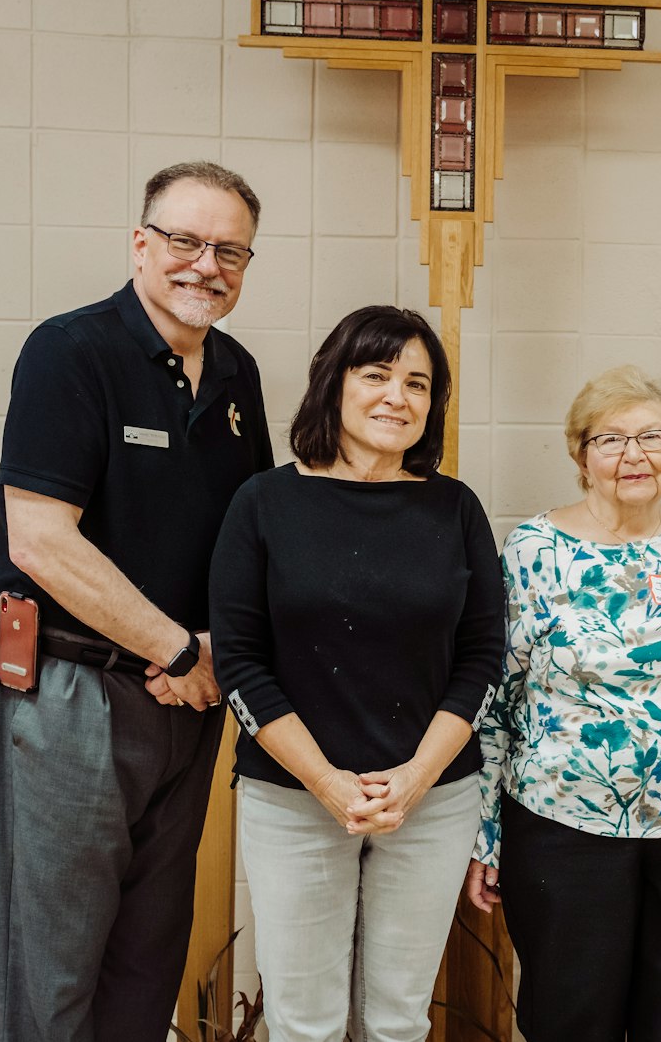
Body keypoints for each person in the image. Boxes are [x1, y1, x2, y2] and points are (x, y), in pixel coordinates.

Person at [0, 161, 272, 1041]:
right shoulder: (72, 351)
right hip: (73, 695)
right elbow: (40, 538)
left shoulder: (236, 374)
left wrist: (218, 653)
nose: (205, 265)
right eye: (185, 241)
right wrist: (184, 652)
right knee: (53, 970)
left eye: (230, 250)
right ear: (141, 243)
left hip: (184, 708)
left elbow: (244, 533)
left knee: (148, 961)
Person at [209, 305, 503, 1042]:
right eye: (375, 374)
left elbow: (483, 656)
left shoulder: (454, 508)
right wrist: (328, 782)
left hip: (431, 798)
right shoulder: (264, 503)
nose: (396, 396)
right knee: (304, 1019)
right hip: (294, 797)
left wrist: (413, 777)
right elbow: (240, 661)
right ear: (332, 384)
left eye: (418, 382)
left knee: (399, 1017)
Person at [465, 364, 661, 1042]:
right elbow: (496, 700)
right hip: (562, 832)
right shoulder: (533, 550)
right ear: (580, 453)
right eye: (610, 439)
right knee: (569, 1021)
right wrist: (487, 834)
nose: (633, 455)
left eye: (652, 436)